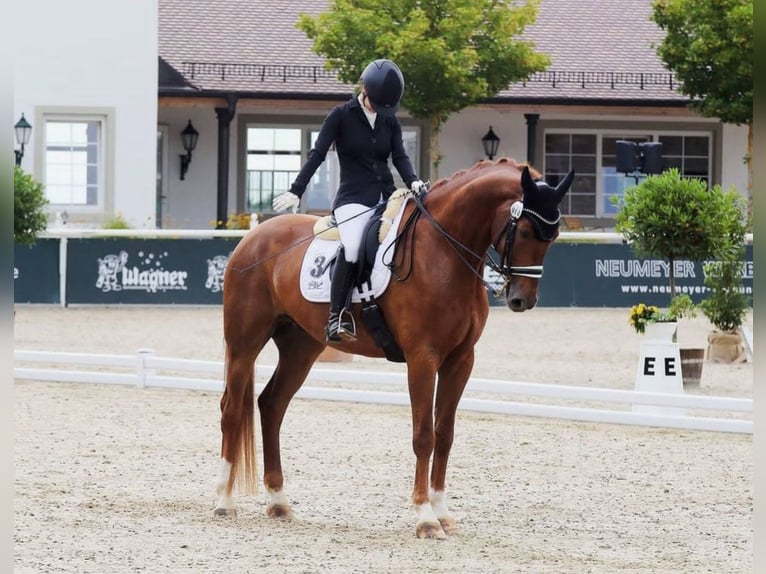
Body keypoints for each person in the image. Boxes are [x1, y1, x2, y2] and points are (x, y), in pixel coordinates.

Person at [272, 59, 425, 343]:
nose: (380, 112)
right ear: (365, 91)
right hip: (353, 199)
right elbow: (317, 154)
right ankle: (337, 316)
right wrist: (297, 189)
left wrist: (413, 180)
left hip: (387, 195)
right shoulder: (340, 116)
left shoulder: (388, 119)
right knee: (353, 246)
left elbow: (399, 156)